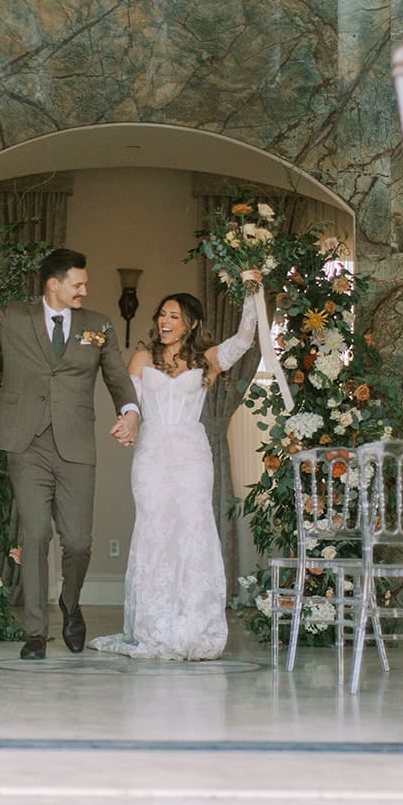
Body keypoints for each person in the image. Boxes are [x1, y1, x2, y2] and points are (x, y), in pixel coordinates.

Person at [0, 240, 140, 660]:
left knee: (79, 542)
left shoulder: (98, 324)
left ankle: (70, 603)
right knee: (34, 535)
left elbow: (119, 377)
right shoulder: (14, 317)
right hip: (25, 443)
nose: (84, 291)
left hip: (76, 445)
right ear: (53, 285)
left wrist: (130, 411)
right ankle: (34, 631)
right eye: (78, 285)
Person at [91, 275, 261, 661]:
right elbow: (128, 402)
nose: (165, 321)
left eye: (175, 316)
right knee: (154, 531)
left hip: (191, 455)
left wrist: (252, 292)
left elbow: (245, 339)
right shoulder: (141, 358)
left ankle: (193, 624)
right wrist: (126, 422)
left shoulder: (208, 360)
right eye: (162, 314)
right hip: (152, 454)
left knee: (193, 532)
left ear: (191, 324)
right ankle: (154, 626)